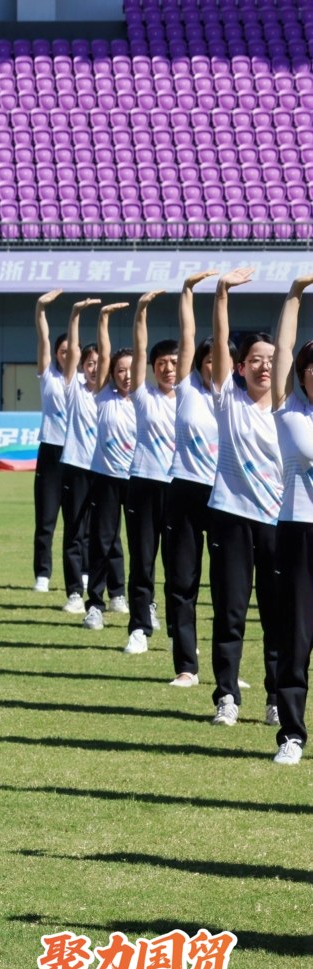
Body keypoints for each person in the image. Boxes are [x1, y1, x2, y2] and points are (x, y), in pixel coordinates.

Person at [206, 267, 284, 727]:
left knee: (277, 613)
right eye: (255, 359)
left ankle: (276, 696)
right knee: (230, 612)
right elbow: (219, 339)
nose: (264, 366)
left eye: (271, 359)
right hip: (230, 517)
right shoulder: (227, 401)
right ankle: (227, 696)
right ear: (240, 367)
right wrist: (221, 293)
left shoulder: (288, 409)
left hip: (277, 522)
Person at [163, 271, 222, 688]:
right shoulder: (187, 390)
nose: (215, 366)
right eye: (209, 359)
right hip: (184, 490)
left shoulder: (238, 399)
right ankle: (187, 666)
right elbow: (188, 335)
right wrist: (187, 291)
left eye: (223, 359)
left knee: (226, 589)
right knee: (182, 583)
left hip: (225, 497)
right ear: (199, 364)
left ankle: (225, 670)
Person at [271, 273, 313, 765]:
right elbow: (283, 349)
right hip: (299, 532)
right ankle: (292, 735)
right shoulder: (290, 412)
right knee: (296, 638)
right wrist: (295, 294)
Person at [122, 290, 178, 656]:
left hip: (179, 489)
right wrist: (141, 311)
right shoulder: (143, 395)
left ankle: (178, 632)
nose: (168, 368)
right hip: (143, 484)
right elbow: (139, 348)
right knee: (142, 562)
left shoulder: (194, 399)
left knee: (178, 567)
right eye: (162, 363)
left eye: (174, 362)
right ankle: (139, 628)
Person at [81, 302, 135, 631]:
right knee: (102, 541)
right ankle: (95, 605)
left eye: (132, 369)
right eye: (120, 370)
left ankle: (133, 600)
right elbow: (104, 354)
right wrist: (103, 319)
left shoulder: (147, 398)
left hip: (140, 480)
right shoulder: (104, 396)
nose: (126, 375)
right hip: (106, 479)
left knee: (142, 548)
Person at [55, 300, 104, 615]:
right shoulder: (75, 389)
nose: (94, 367)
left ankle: (111, 591)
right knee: (74, 530)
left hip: (105, 470)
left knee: (103, 534)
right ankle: (74, 592)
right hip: (76, 466)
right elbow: (71, 351)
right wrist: (75, 315)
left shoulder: (113, 395)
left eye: (99, 362)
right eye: (89, 363)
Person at [31, 290, 69, 592]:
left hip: (80, 455)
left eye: (73, 351)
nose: (67, 355)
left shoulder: (86, 382)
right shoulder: (49, 377)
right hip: (51, 451)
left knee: (79, 520)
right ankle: (42, 575)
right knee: (46, 519)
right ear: (56, 354)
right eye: (63, 351)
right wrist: (41, 310)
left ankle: (82, 573)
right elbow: (43, 340)